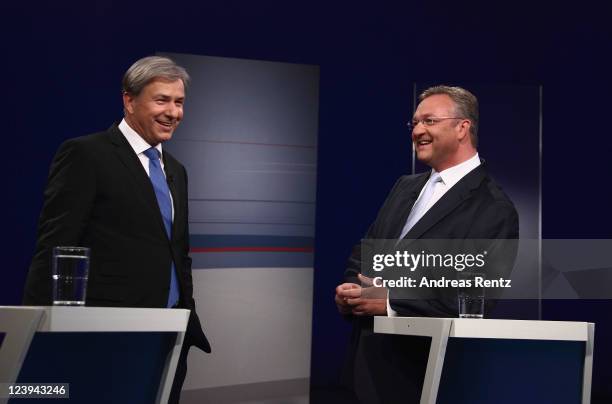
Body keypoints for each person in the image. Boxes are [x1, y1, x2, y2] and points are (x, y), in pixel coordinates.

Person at [22, 56, 210, 404]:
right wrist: (35, 334)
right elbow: (55, 244)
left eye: (179, 102)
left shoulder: (177, 170)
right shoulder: (86, 154)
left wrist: (185, 317)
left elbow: (177, 252)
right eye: (161, 100)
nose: (174, 112)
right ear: (129, 101)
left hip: (168, 336)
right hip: (106, 335)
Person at [334, 85, 519, 403]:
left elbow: (474, 296)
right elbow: (365, 251)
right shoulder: (405, 186)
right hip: (364, 368)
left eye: (429, 121)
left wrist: (391, 302)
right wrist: (353, 293)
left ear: (462, 127)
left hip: (423, 377)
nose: (418, 130)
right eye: (415, 123)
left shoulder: (494, 208)